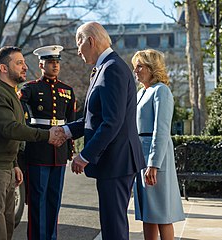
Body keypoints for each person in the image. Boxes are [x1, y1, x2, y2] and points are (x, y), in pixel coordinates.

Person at [60, 22, 145, 240]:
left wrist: (86, 155)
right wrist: (66, 131)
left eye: (79, 43)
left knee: (113, 227)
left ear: (90, 41)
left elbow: (112, 122)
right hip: (115, 161)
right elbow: (93, 118)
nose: (78, 50)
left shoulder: (112, 68)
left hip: (116, 161)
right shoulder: (105, 67)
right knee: (111, 224)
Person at [0, 46, 64, 240]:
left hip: (5, 168)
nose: (25, 67)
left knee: (7, 226)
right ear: (4, 68)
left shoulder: (10, 91)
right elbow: (10, 129)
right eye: (19, 63)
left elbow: (9, 134)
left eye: (24, 62)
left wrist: (14, 165)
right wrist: (47, 135)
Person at [18, 45, 76, 240]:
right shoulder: (31, 88)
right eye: (51, 62)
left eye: (57, 62)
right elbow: (18, 113)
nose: (55, 66)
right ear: (41, 65)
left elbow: (71, 121)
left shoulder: (67, 90)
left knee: (54, 200)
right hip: (38, 150)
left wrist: (68, 145)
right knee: (37, 200)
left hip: (59, 151)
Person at [131, 49, 185, 240]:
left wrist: (154, 163)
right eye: (134, 66)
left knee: (161, 212)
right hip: (140, 155)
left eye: (140, 66)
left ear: (152, 68)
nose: (135, 70)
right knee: (148, 212)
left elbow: (161, 129)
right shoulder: (140, 93)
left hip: (155, 156)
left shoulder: (161, 90)